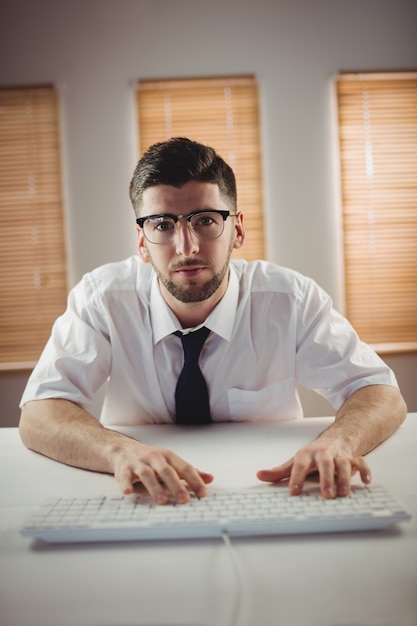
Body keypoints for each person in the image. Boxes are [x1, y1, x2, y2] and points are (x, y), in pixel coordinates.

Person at [19, 137, 407, 505]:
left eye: (204, 220)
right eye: (162, 224)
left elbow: (379, 392)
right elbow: (40, 413)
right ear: (141, 241)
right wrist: (118, 451)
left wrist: (339, 442)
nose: (186, 247)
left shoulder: (290, 299)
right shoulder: (102, 299)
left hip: (272, 490)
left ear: (236, 230)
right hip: (139, 490)